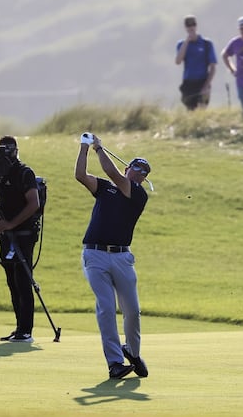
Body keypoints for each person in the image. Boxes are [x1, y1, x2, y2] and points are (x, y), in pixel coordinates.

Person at [75, 132, 150, 380]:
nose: (139, 174)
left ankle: (133, 352)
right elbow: (81, 176)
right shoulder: (105, 188)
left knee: (132, 311)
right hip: (94, 255)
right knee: (106, 308)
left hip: (122, 258)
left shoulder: (138, 194)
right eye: (137, 168)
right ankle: (115, 363)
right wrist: (85, 148)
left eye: (144, 173)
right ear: (128, 167)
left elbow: (112, 173)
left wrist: (99, 148)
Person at [0, 135, 40, 343]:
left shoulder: (24, 173)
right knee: (12, 281)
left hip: (23, 235)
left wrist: (11, 224)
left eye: (8, 149)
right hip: (6, 235)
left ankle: (26, 330)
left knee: (22, 280)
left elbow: (33, 203)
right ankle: (19, 327)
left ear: (15, 150)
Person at [175, 15, 217, 111]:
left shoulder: (206, 43)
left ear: (196, 25)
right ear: (185, 27)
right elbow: (178, 61)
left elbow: (213, 67)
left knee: (202, 110)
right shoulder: (181, 44)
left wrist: (206, 86)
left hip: (203, 81)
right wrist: (187, 41)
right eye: (188, 25)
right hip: (188, 82)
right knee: (190, 111)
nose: (191, 28)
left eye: (193, 25)